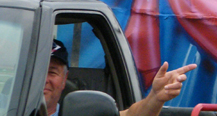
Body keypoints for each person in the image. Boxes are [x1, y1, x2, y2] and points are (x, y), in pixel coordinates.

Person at [44, 39, 196, 116]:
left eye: (52, 72)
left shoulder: (78, 112)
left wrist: (156, 97)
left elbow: (130, 115)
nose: (44, 79)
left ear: (65, 79)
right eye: (39, 70)